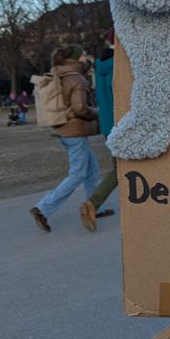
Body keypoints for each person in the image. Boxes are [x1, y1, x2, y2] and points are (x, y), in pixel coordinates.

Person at [29, 44, 101, 232]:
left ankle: (94, 205)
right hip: (74, 131)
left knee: (92, 170)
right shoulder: (76, 78)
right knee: (78, 174)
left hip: (63, 129)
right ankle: (43, 208)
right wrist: (99, 113)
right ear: (76, 59)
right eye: (84, 55)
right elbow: (80, 108)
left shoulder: (59, 74)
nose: (86, 58)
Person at [79, 37, 118, 232]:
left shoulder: (102, 63)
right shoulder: (119, 62)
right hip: (122, 123)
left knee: (121, 169)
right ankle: (93, 203)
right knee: (122, 170)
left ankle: (94, 203)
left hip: (108, 124)